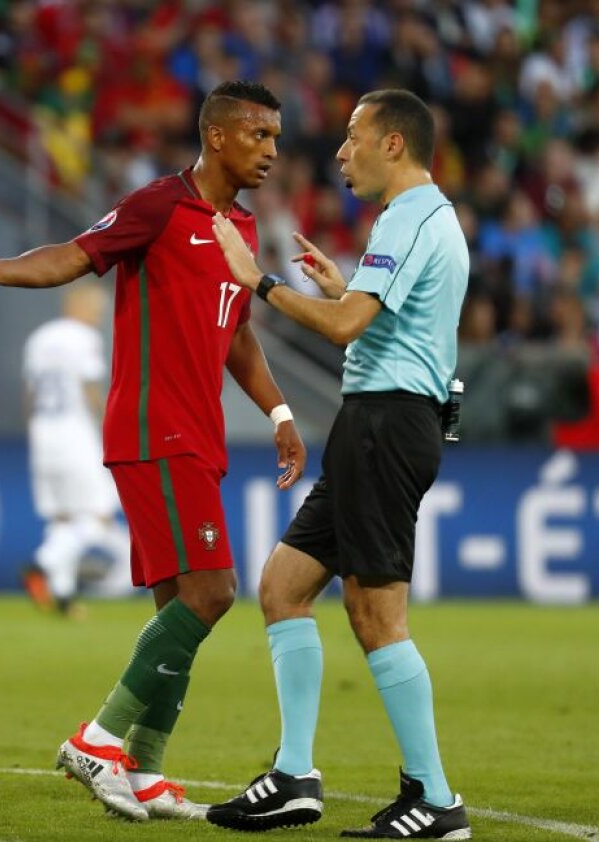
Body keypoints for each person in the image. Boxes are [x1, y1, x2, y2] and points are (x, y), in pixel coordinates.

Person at [0, 80, 306, 822]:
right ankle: (98, 738)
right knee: (214, 593)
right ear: (216, 136)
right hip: (153, 429)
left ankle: (143, 771)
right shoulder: (159, 207)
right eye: (258, 134)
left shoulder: (238, 226)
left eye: (276, 136)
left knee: (179, 602)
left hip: (197, 434)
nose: (272, 150)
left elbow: (236, 331)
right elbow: (77, 255)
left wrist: (276, 408)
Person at [204, 88, 471, 839]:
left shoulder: (413, 216)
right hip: (378, 421)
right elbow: (373, 319)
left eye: (354, 138)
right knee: (283, 586)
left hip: (387, 426)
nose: (341, 152)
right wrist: (339, 289)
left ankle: (437, 797)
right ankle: (294, 775)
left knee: (376, 615)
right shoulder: (421, 221)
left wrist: (254, 278)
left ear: (394, 145)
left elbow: (348, 327)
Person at [21, 282, 133, 617]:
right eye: (97, 309)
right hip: (75, 431)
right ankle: (42, 563)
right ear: (80, 306)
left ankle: (63, 597)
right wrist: (109, 430)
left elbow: (28, 395)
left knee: (63, 517)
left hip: (42, 431)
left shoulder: (38, 338)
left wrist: (34, 432)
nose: (99, 316)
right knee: (98, 514)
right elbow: (89, 388)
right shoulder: (84, 338)